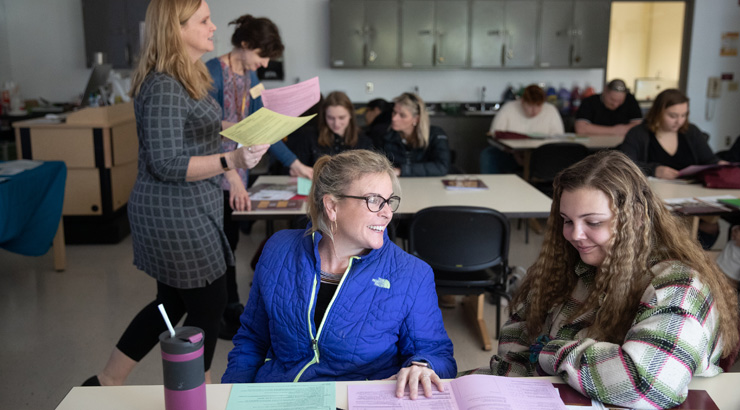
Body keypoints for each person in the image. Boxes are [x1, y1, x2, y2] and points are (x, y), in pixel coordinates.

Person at [82, 0, 269, 386]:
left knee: (171, 303)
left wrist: (241, 129)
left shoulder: (189, 74)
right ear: (176, 27)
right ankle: (196, 390)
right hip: (173, 213)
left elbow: (199, 123)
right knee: (208, 302)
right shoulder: (164, 83)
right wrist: (230, 160)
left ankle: (106, 381)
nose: (214, 27)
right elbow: (165, 162)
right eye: (204, 20)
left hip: (189, 207)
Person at [482, 150, 739, 409]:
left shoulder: (679, 285)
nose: (574, 235)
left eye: (593, 222)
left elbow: (646, 384)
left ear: (636, 218)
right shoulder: (562, 267)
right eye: (567, 220)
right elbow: (515, 340)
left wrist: (548, 353)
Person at [222, 150, 456, 399]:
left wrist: (422, 366)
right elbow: (251, 339)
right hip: (282, 395)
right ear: (332, 206)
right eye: (374, 200)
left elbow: (438, 355)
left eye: (389, 201)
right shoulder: (278, 249)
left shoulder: (412, 274)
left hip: (357, 401)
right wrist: (232, 396)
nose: (387, 213)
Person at [204, 14, 312, 338]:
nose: (263, 64)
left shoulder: (250, 78)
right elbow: (202, 129)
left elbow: (260, 129)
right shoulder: (211, 72)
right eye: (261, 56)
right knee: (218, 244)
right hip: (213, 172)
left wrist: (296, 165)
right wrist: (233, 176)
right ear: (245, 45)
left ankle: (230, 307)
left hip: (236, 170)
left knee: (230, 241)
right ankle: (220, 311)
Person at [620, 88, 727, 249]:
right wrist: (655, 169)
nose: (679, 121)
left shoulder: (691, 132)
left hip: (689, 197)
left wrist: (724, 167)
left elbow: (709, 160)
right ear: (657, 112)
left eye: (683, 115)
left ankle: (692, 263)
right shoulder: (638, 134)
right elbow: (624, 165)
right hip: (653, 200)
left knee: (710, 228)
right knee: (670, 231)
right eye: (672, 116)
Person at [480, 84, 565, 174]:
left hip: (542, 157)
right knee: (488, 154)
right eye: (530, 106)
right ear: (522, 101)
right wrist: (513, 152)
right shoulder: (509, 108)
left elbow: (559, 138)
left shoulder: (551, 110)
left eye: (538, 106)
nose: (534, 111)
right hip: (511, 156)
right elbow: (494, 136)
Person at [289, 91, 373, 166]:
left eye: (341, 117)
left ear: (350, 115)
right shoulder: (309, 137)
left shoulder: (364, 141)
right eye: (331, 118)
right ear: (324, 115)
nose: (336, 123)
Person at [380, 92, 450, 176]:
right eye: (394, 112)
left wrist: (401, 170)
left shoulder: (436, 135)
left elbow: (442, 167)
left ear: (416, 119)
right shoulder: (385, 136)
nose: (394, 118)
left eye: (402, 115)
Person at [575, 79, 642, 136]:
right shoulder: (589, 101)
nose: (615, 104)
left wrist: (595, 130)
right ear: (605, 91)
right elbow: (581, 129)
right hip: (595, 146)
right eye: (612, 100)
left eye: (620, 101)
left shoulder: (630, 100)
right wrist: (616, 130)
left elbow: (639, 127)